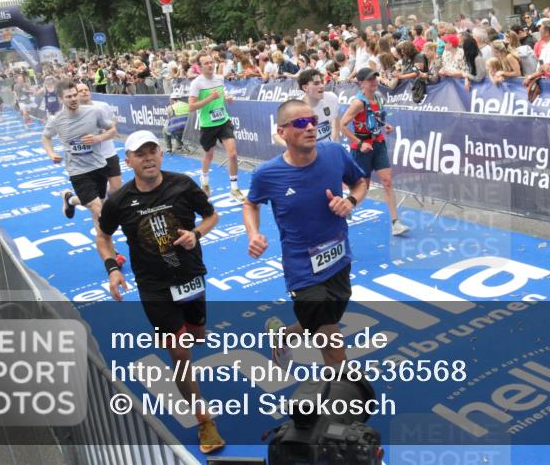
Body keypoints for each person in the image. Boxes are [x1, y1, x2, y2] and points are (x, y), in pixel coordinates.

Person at [97, 130, 225, 455]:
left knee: (196, 336)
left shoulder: (182, 183)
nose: (148, 157)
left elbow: (212, 215)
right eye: (140, 153)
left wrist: (196, 234)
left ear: (161, 154)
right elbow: (103, 237)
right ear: (128, 160)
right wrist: (113, 269)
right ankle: (203, 419)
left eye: (153, 150)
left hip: (191, 277)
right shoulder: (118, 201)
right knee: (181, 354)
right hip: (154, 288)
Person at [244, 99, 369, 368]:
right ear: (282, 132)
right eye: (301, 123)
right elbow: (251, 203)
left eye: (313, 121)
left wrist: (350, 201)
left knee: (325, 321)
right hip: (302, 271)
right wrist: (253, 233)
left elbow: (360, 182)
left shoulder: (335, 153)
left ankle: (283, 335)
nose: (311, 127)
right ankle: (343, 402)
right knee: (333, 346)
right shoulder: (267, 174)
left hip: (339, 259)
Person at [340, 68, 409, 236]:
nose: (374, 81)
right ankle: (344, 207)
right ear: (361, 83)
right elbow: (341, 125)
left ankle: (395, 223)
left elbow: (376, 119)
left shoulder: (378, 98)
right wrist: (360, 142)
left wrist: (385, 126)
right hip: (362, 148)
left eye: (375, 78)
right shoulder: (358, 103)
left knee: (387, 181)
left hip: (378, 145)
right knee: (362, 187)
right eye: (370, 79)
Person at [42, 80, 117, 232]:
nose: (73, 99)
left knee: (99, 206)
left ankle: (70, 199)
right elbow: (45, 137)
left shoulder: (93, 112)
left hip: (98, 165)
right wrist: (51, 153)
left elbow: (112, 130)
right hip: (78, 171)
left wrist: (98, 138)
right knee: (97, 207)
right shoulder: (56, 120)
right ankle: (110, 248)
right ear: (61, 99)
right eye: (68, 97)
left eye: (75, 95)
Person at [188, 53, 242, 201]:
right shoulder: (197, 83)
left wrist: (227, 97)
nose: (210, 65)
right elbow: (191, 107)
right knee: (209, 155)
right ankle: (204, 181)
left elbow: (222, 93)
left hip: (223, 121)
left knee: (232, 154)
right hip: (208, 124)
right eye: (206, 63)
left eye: (211, 62)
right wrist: (209, 98)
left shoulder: (219, 78)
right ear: (200, 67)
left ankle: (234, 188)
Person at [76, 82, 122, 194]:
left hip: (109, 153)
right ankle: (70, 199)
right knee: (97, 194)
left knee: (117, 188)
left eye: (86, 89)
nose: (84, 92)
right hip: (91, 157)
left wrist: (106, 132)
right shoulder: (74, 112)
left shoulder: (102, 105)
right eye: (80, 91)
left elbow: (114, 120)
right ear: (75, 95)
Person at [274, 69, 340, 146]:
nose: (322, 86)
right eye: (316, 84)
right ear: (305, 88)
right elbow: (276, 135)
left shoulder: (332, 98)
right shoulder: (294, 107)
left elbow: (336, 119)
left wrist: (334, 141)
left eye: (322, 82)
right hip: (307, 155)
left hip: (329, 151)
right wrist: (296, 147)